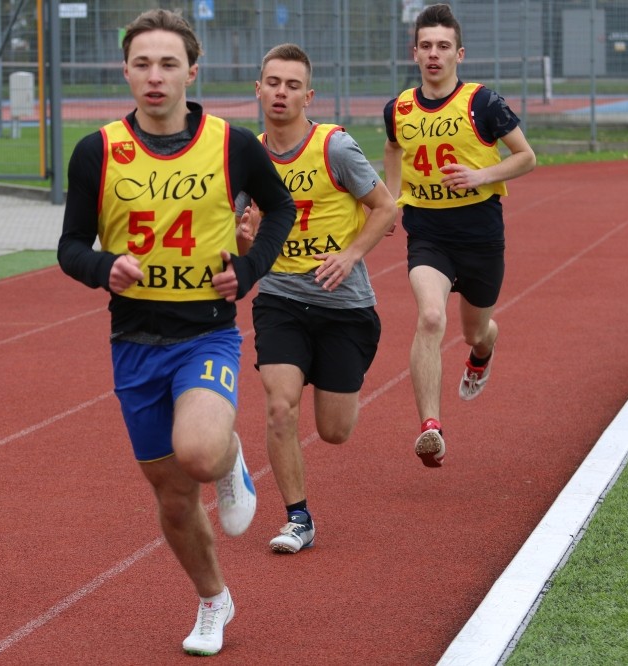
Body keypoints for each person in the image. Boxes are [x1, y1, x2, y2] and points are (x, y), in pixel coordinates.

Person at [57, 9, 295, 657]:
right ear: (125, 72)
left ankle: (227, 455)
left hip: (205, 334)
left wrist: (248, 268)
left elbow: (280, 207)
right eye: (142, 64)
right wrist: (104, 267)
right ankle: (213, 599)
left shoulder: (231, 144)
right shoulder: (97, 151)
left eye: (168, 64)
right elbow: (70, 247)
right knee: (172, 496)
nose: (154, 76)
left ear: (192, 71)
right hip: (134, 342)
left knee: (197, 454)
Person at [235, 44, 397, 554]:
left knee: (335, 430)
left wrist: (350, 255)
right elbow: (239, 246)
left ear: (308, 96)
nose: (280, 93)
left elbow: (385, 207)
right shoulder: (245, 158)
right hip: (280, 298)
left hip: (344, 305)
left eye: (292, 85)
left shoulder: (335, 148)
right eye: (272, 83)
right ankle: (298, 518)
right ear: (258, 89)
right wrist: (244, 238)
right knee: (280, 408)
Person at [382, 3, 536, 467]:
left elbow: (526, 157)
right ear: (414, 52)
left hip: (480, 235)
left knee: (474, 331)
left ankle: (483, 350)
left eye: (443, 46)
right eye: (426, 46)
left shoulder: (482, 103)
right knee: (431, 317)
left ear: (459, 53)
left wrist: (480, 175)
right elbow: (392, 148)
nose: (434, 54)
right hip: (428, 234)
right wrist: (392, 199)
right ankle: (431, 428)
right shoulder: (398, 108)